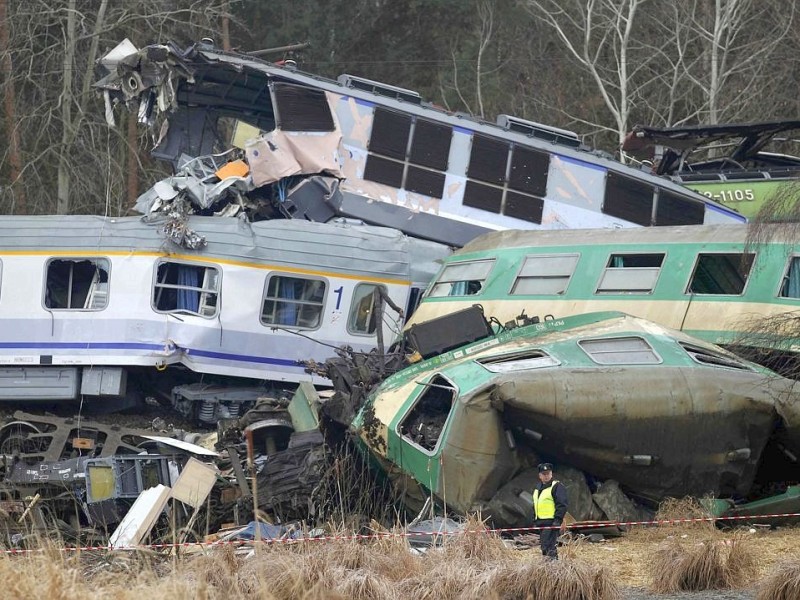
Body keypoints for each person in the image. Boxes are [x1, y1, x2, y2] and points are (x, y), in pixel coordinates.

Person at [532, 462, 568, 560]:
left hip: (551, 522)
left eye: (548, 473)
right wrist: (535, 519)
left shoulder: (556, 486)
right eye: (544, 474)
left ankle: (553, 568)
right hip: (541, 522)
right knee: (545, 547)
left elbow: (562, 504)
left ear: (551, 474)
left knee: (549, 547)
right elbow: (536, 504)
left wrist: (557, 520)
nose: (546, 476)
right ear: (540, 476)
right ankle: (549, 568)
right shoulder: (537, 488)